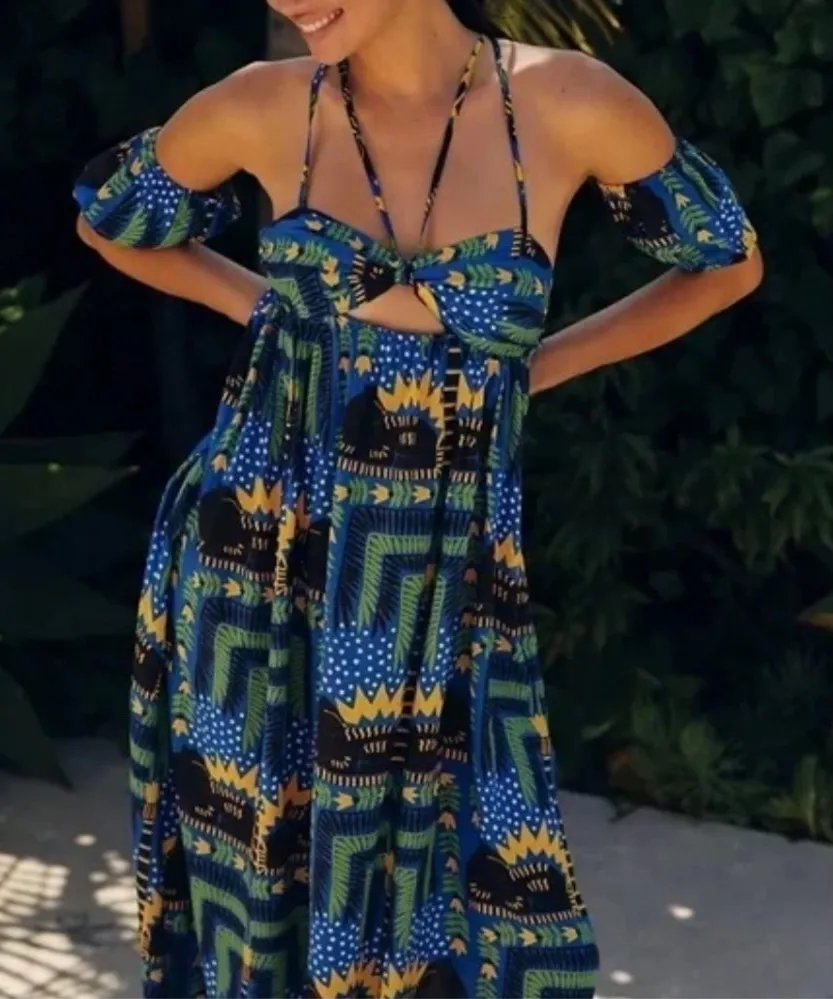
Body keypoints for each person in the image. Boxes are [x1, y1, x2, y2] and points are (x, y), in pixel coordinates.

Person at [74, 0, 762, 996]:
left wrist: (536, 366)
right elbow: (112, 224)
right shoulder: (262, 107)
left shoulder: (565, 103)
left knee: (471, 904)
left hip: (443, 577)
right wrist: (269, 310)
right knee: (259, 903)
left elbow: (723, 263)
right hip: (256, 560)